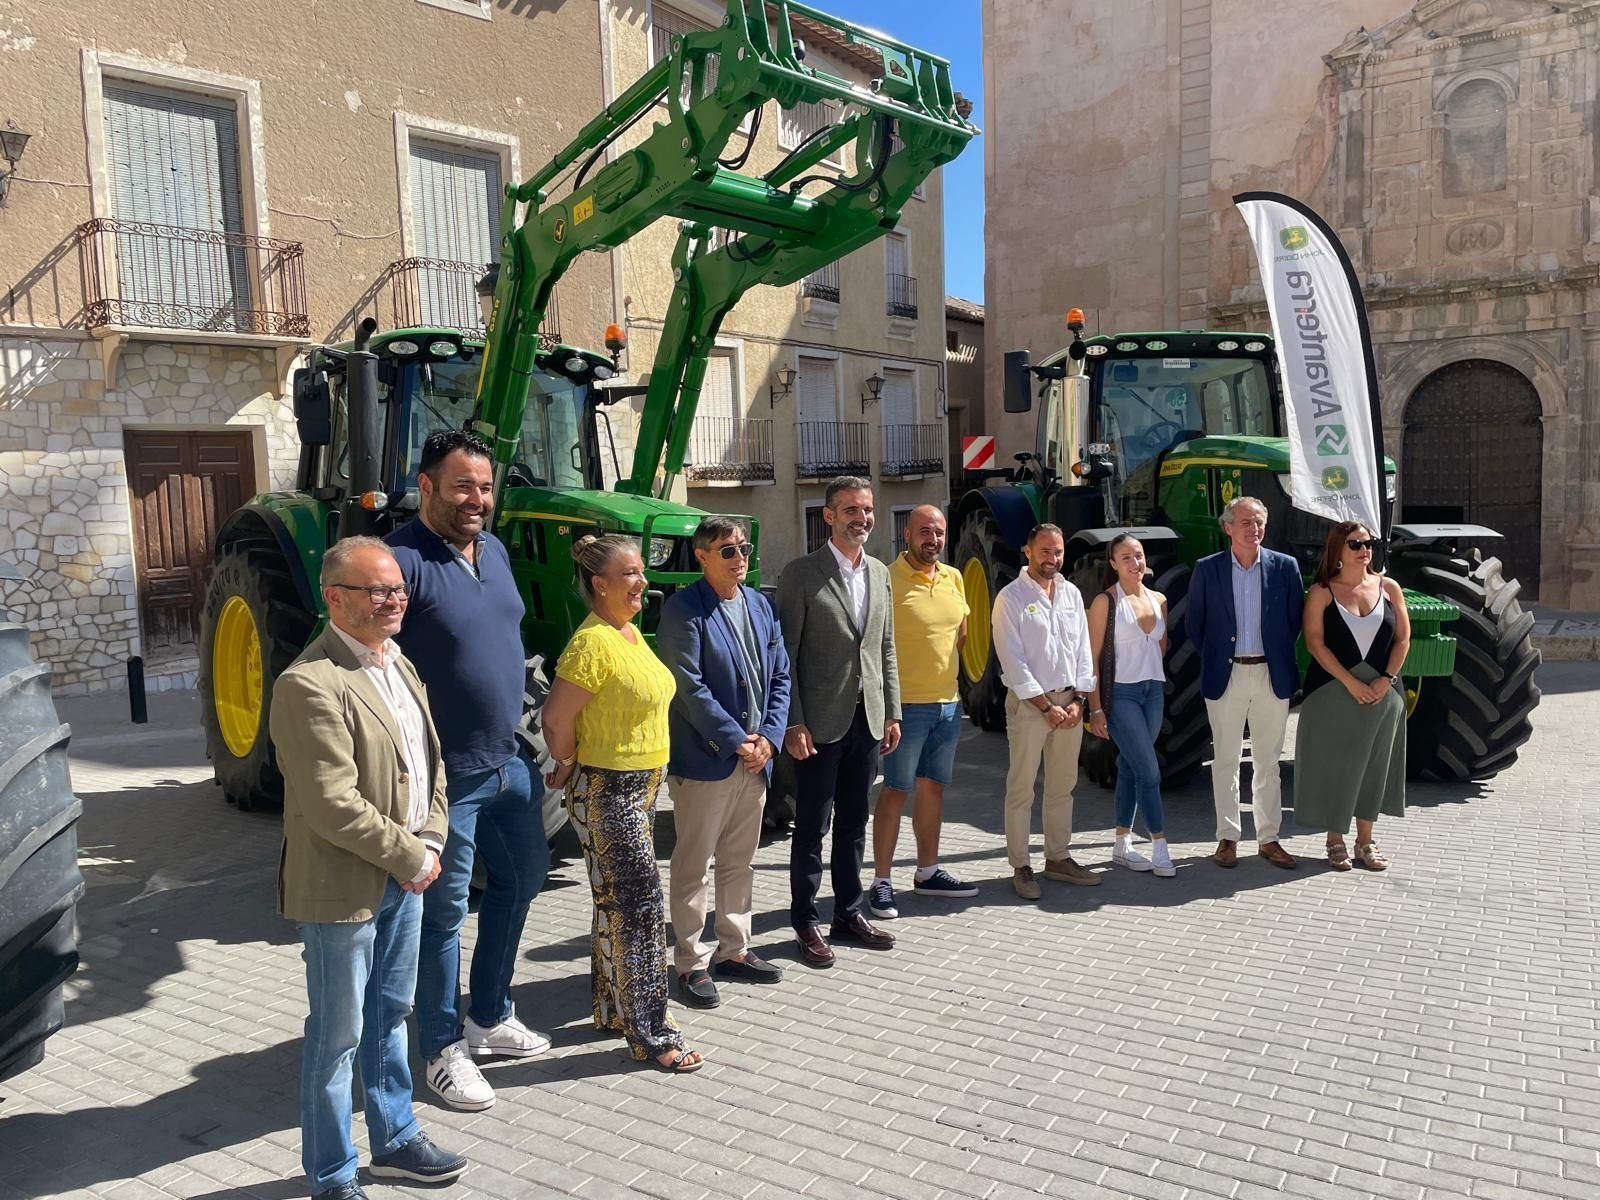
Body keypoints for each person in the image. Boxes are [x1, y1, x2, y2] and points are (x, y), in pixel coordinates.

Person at [269, 537, 466, 1200]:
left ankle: (396, 1139)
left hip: (407, 876)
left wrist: (431, 839)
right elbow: (332, 804)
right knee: (338, 1036)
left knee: (390, 1014)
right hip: (343, 889)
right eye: (377, 591)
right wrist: (413, 856)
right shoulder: (309, 683)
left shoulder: (399, 664)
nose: (394, 600)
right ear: (334, 597)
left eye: (398, 589)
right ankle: (332, 1175)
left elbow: (431, 766)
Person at [386, 430, 548, 1113]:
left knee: (523, 880)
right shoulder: (401, 561)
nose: (477, 499)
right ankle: (441, 1049)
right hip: (444, 779)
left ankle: (489, 1014)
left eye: (484, 486)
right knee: (444, 914)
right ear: (426, 486)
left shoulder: (497, 550)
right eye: (462, 486)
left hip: (508, 759)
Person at [541, 534, 703, 1072]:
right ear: (599, 583)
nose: (642, 581)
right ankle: (653, 1033)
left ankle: (614, 1009)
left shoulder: (628, 633)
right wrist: (566, 760)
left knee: (617, 903)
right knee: (641, 909)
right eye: (630, 573)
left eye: (640, 571)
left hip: (641, 786)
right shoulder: (592, 643)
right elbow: (555, 719)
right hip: (609, 789)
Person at [657, 517, 792, 1008]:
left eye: (744, 549)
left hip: (756, 760)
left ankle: (734, 949)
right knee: (693, 866)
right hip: (707, 759)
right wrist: (738, 741)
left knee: (739, 861)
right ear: (702, 556)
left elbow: (781, 675)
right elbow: (688, 688)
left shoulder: (760, 605)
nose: (740, 559)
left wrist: (770, 738)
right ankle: (690, 962)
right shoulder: (683, 610)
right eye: (728, 550)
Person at [778, 476, 901, 968]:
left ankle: (848, 913)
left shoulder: (880, 572)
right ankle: (805, 921)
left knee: (854, 822)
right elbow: (785, 657)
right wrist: (793, 721)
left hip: (866, 720)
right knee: (812, 826)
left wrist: (892, 710)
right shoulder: (801, 574)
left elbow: (885, 647)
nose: (862, 518)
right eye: (851, 509)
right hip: (819, 724)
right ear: (828, 515)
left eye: (867, 509)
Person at [869, 503, 977, 919]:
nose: (933, 539)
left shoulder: (954, 577)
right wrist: (888, 708)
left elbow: (960, 636)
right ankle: (881, 881)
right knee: (896, 790)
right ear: (907, 534)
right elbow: (874, 644)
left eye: (939, 532)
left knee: (933, 788)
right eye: (925, 532)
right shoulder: (886, 578)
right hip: (905, 708)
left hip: (948, 706)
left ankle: (928, 871)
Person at [1187, 496, 1305, 870]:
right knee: (1226, 759)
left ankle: (1269, 839)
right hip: (1227, 674)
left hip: (1271, 674)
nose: (1254, 529)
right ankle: (1228, 837)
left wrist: (1274, 656)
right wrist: (1220, 656)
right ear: (1228, 527)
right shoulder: (1207, 569)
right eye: (1245, 522)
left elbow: (1294, 621)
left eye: (1259, 522)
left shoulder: (1285, 567)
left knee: (1268, 763)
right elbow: (1195, 624)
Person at [992, 523, 1099, 899]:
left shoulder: (1071, 593)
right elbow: (1013, 659)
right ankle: (1021, 865)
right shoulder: (1011, 597)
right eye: (1045, 551)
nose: (1052, 558)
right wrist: (1045, 706)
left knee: (1062, 787)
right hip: (1029, 707)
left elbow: (1083, 649)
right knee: (1021, 788)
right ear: (1027, 551)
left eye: (1058, 552)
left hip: (1070, 704)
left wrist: (1079, 701)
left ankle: (1058, 857)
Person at [1294, 522, 1409, 870]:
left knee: (1375, 767)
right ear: (1338, 551)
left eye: (1368, 543)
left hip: (1383, 693)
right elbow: (1315, 643)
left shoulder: (1389, 587)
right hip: (1333, 692)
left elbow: (1403, 639)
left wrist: (1386, 679)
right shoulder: (1322, 591)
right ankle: (1334, 840)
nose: (1364, 549)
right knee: (1338, 766)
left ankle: (1365, 842)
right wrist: (1350, 682)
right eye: (1355, 544)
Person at [1086, 535, 1173, 877]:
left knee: (1131, 765)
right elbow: (1092, 659)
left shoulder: (1159, 599)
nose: (1135, 563)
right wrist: (1096, 708)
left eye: (1138, 555)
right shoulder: (1105, 602)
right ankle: (1160, 847)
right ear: (1113, 563)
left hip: (1153, 693)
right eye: (1126, 557)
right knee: (1149, 772)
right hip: (1121, 695)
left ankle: (1121, 844)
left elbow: (1160, 648)